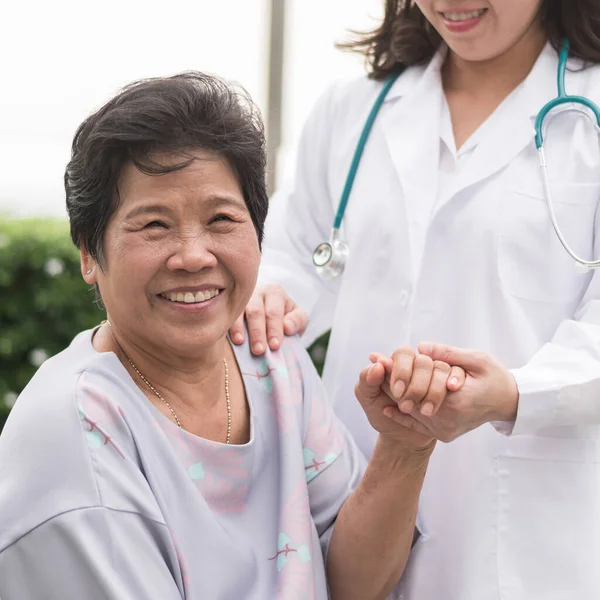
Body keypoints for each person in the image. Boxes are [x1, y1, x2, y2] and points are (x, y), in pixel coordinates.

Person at [0, 72, 469, 600]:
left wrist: (405, 447)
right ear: (89, 252)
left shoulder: (270, 358)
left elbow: (355, 581)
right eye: (155, 225)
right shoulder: (75, 434)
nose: (195, 255)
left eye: (221, 218)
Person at [230, 1, 600, 598]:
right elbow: (296, 258)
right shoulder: (354, 109)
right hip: (352, 505)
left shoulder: (591, 116)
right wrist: (272, 299)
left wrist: (509, 394)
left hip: (523, 532)